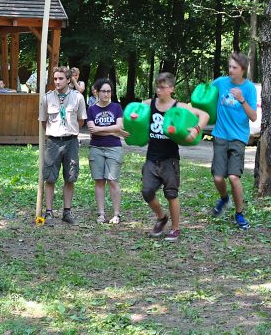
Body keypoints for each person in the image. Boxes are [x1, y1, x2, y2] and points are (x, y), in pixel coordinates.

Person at [136, 72, 209, 242]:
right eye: (157, 87)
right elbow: (135, 112)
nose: (159, 90)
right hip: (151, 157)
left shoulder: (178, 106)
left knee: (171, 194)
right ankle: (161, 217)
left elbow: (204, 115)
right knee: (147, 191)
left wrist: (196, 130)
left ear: (172, 89)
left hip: (170, 159)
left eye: (162, 87)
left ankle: (175, 229)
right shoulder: (149, 104)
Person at [210, 52, 257, 230]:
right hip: (220, 135)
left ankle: (239, 214)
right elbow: (205, 95)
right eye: (229, 66)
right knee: (218, 177)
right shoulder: (221, 82)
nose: (230, 70)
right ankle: (224, 199)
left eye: (234, 68)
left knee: (233, 177)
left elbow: (253, 117)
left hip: (238, 137)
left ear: (243, 70)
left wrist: (241, 99)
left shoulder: (249, 88)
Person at [38, 66, 87, 225]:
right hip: (53, 141)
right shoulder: (47, 98)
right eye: (55, 79)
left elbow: (81, 121)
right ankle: (49, 212)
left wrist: (68, 130)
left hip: (71, 141)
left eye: (60, 79)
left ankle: (67, 212)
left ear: (68, 80)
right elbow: (44, 121)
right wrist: (56, 131)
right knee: (50, 177)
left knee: (70, 177)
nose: (57, 82)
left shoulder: (77, 97)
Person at [86, 78, 124, 224]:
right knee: (99, 181)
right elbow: (91, 130)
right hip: (96, 148)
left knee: (113, 181)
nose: (106, 94)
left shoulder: (116, 107)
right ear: (97, 92)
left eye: (108, 91)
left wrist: (100, 129)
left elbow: (119, 127)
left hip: (114, 148)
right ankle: (101, 214)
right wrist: (112, 130)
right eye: (103, 91)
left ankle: (116, 214)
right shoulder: (92, 109)